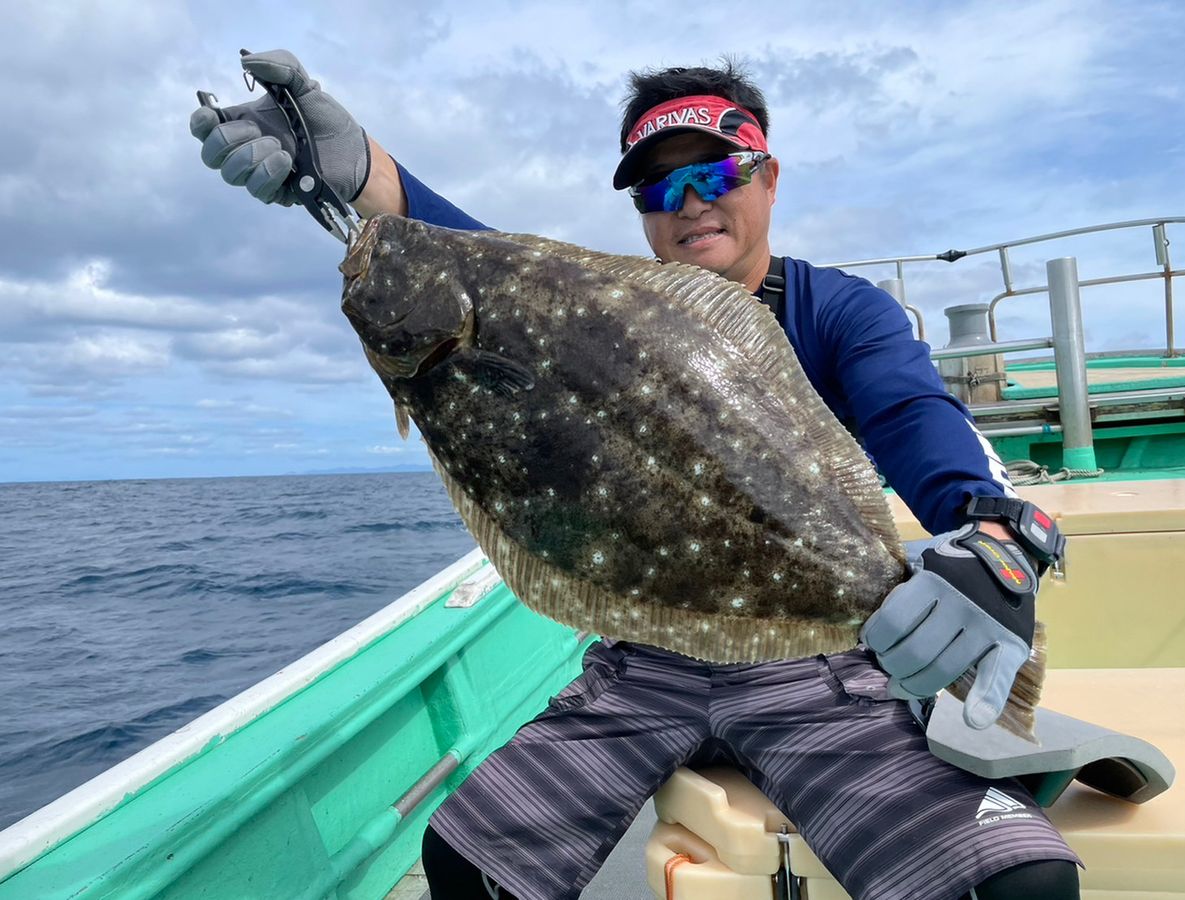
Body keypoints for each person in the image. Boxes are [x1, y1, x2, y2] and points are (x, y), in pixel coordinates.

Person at [192, 51, 1081, 900]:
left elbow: (910, 412)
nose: (690, 203)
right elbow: (474, 268)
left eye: (717, 175)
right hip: (646, 660)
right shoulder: (589, 312)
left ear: (768, 178)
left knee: (1015, 879)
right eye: (661, 188)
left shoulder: (841, 312)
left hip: (817, 665)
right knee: (465, 858)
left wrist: (990, 530)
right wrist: (355, 174)